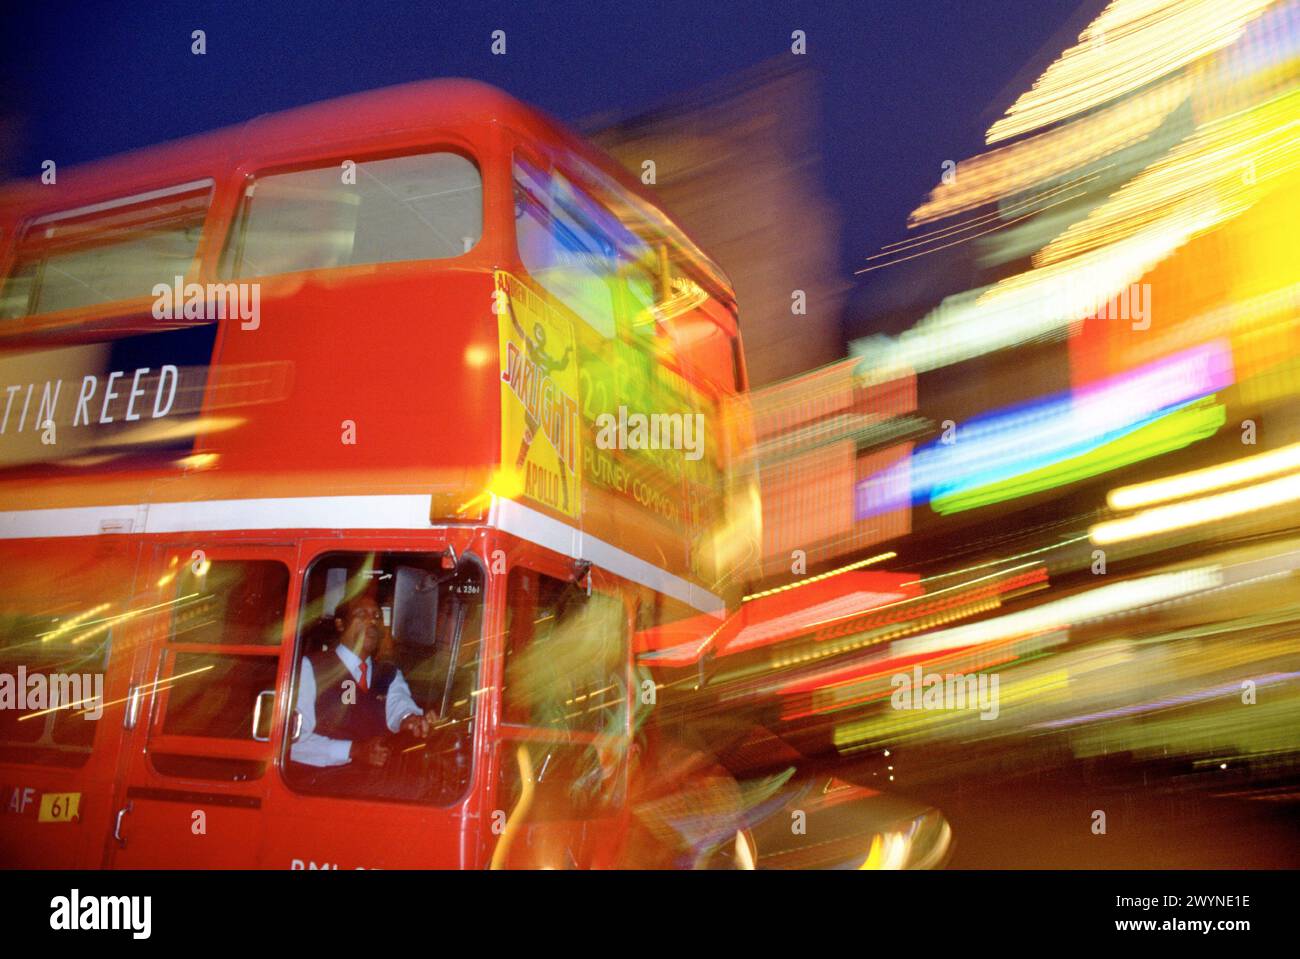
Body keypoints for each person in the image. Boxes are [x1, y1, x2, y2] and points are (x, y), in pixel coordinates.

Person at [290, 591, 435, 773]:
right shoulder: (312, 667)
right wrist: (354, 750)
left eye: (377, 616)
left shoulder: (388, 673)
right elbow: (293, 743)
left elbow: (400, 707)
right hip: (322, 783)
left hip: (375, 780)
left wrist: (410, 720)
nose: (372, 621)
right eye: (361, 615)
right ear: (340, 624)